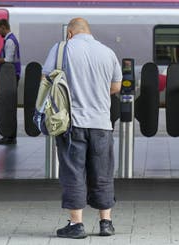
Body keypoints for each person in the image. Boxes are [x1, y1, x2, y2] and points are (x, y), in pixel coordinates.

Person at [42, 17, 121, 239]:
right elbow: (116, 85)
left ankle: (76, 225)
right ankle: (106, 222)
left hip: (72, 123)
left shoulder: (61, 49)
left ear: (69, 33)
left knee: (73, 172)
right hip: (102, 124)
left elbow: (47, 79)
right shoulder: (107, 52)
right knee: (103, 172)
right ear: (88, 31)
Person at [0, 18, 21, 145]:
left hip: (10, 78)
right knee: (9, 106)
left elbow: (8, 60)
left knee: (8, 107)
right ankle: (10, 135)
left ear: (3, 27)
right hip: (11, 78)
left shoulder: (10, 41)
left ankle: (9, 136)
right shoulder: (10, 40)